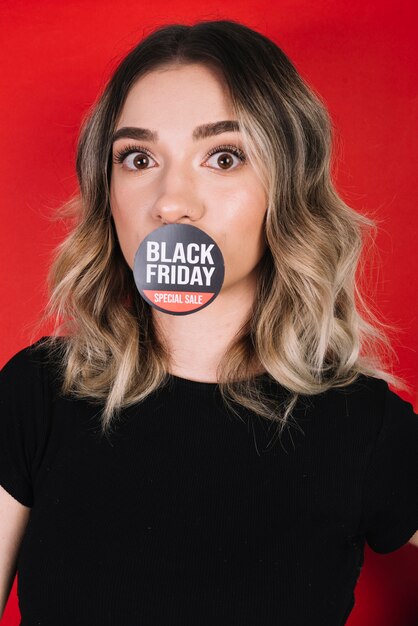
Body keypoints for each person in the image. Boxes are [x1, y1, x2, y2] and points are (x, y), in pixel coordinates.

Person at [0, 19, 417, 626]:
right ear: (107, 190)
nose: (171, 200)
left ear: (286, 185)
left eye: (223, 156)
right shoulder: (36, 394)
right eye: (138, 157)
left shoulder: (363, 424)